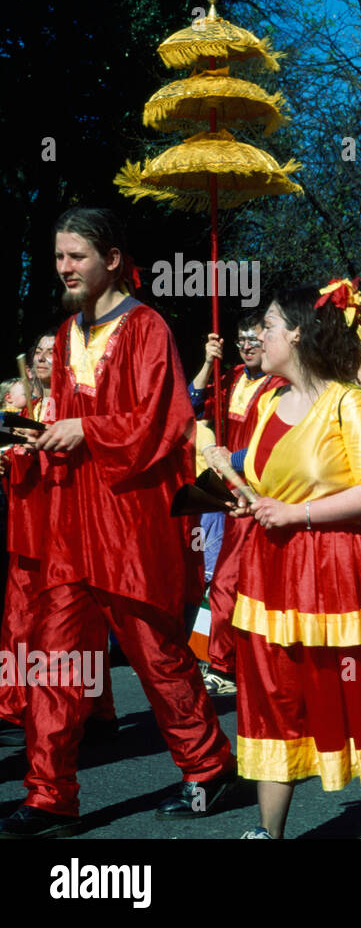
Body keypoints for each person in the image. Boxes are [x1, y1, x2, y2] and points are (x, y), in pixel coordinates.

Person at [0, 206, 235, 839]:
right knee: (55, 661)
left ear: (111, 258)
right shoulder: (66, 330)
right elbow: (74, 427)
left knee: (158, 656)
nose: (64, 268)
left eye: (75, 255)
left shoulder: (147, 327)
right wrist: (41, 438)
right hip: (71, 529)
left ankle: (209, 767)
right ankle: (50, 796)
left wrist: (86, 429)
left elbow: (162, 426)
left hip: (130, 525)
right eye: (57, 257)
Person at [211, 285, 361, 839]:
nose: (258, 336)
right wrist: (228, 482)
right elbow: (258, 480)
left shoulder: (351, 400)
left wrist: (295, 515)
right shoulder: (268, 401)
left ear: (297, 333)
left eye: (268, 326)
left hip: (342, 571)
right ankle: (268, 833)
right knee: (277, 696)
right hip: (273, 572)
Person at [192, 312, 287, 697]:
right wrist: (205, 362)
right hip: (232, 497)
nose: (247, 346)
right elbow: (192, 405)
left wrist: (231, 459)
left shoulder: (281, 385)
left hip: (265, 494)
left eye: (254, 338)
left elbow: (278, 443)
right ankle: (222, 661)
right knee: (226, 580)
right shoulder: (229, 377)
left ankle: (234, 664)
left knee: (254, 582)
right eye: (240, 339)